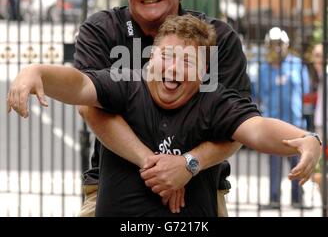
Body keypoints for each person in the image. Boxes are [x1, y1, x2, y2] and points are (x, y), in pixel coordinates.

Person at [7, 14, 321, 216]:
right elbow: (80, 84)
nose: (173, 68)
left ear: (203, 72)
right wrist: (37, 72)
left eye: (187, 61)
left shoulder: (214, 101)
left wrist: (306, 140)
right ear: (150, 59)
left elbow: (257, 128)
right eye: (167, 56)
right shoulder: (126, 85)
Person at [73, 0, 250, 217]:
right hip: (110, 192)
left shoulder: (218, 38)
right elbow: (88, 106)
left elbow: (239, 125)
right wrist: (156, 166)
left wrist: (187, 165)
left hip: (202, 190)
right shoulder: (102, 30)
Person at [253, 27, 311, 210]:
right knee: (274, 164)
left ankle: (297, 199)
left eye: (280, 44)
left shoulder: (297, 65)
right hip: (272, 127)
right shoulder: (263, 69)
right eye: (273, 44)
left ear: (286, 45)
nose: (277, 48)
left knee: (297, 164)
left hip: (295, 124)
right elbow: (258, 95)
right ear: (268, 46)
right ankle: (274, 199)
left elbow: (306, 93)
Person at [311, 44, 328, 199]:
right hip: (321, 123)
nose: (315, 59)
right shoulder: (322, 74)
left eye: (318, 55)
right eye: (315, 55)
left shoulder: (326, 73)